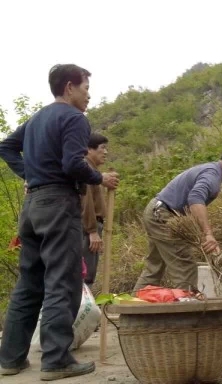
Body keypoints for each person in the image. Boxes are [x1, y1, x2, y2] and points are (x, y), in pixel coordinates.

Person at [0, 64, 119, 381]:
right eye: (85, 88)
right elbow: (72, 163)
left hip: (33, 207)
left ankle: (10, 359)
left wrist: (31, 175)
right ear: (69, 87)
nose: (88, 96)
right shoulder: (74, 119)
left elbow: (6, 146)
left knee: (29, 283)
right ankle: (56, 360)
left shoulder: (36, 119)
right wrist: (100, 177)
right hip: (58, 205)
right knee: (61, 283)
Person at [132, 144, 222, 293]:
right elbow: (195, 199)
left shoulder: (210, 170)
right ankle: (186, 309)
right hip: (163, 215)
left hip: (156, 211)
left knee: (154, 267)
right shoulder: (212, 177)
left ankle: (133, 309)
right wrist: (208, 234)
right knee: (185, 265)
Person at [82, 132, 109, 287]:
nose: (105, 152)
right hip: (87, 229)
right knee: (86, 273)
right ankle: (81, 308)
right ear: (89, 149)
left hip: (91, 227)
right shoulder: (86, 169)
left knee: (88, 271)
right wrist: (92, 231)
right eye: (102, 148)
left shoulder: (92, 170)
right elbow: (86, 202)